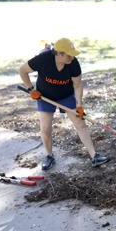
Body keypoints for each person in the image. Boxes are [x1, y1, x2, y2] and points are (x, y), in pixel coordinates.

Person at [19, 38, 110, 171]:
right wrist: (31, 90)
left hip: (66, 96)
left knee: (80, 124)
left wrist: (79, 105)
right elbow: (22, 70)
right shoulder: (43, 59)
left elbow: (78, 85)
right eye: (69, 54)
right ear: (59, 54)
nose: (72, 57)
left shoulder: (73, 64)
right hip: (44, 96)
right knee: (45, 129)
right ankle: (49, 156)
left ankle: (94, 156)